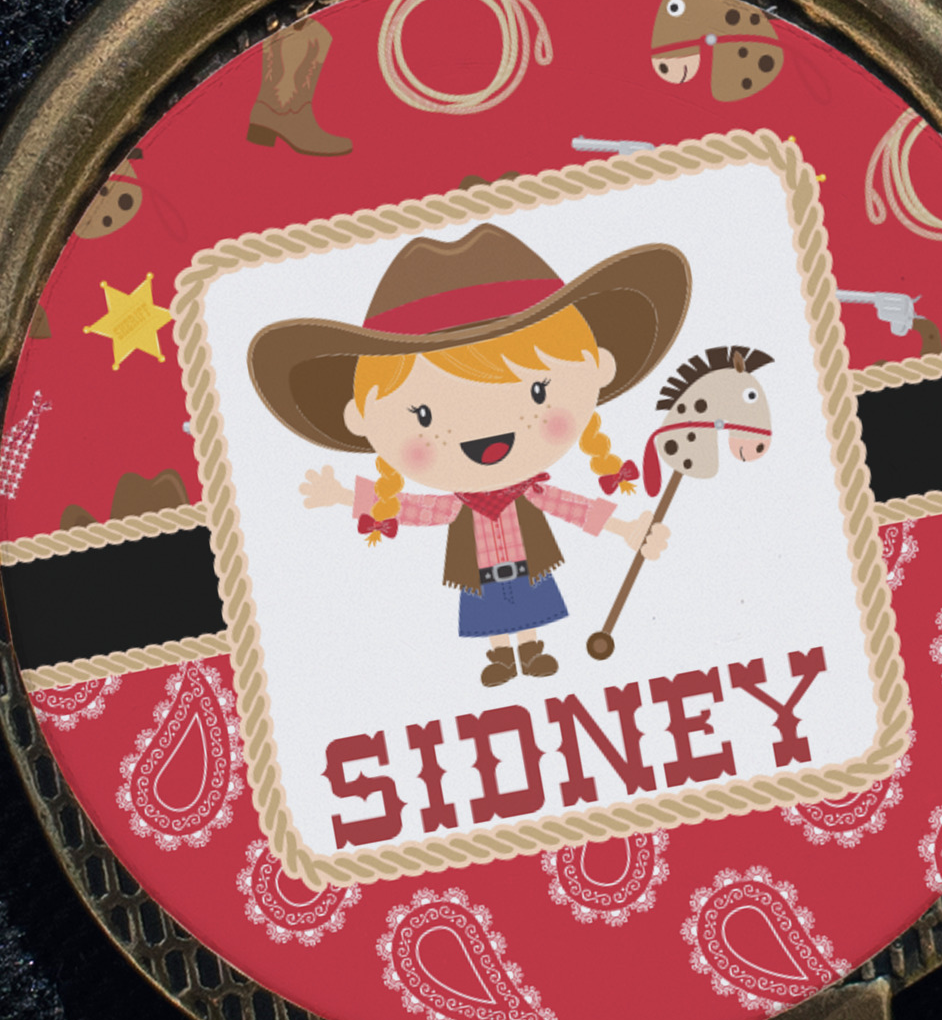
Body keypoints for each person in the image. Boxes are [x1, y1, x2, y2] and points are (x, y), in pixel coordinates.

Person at [248, 223, 692, 686]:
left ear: (598, 367)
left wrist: (627, 528)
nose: (484, 431)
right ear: (360, 417)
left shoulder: (532, 492)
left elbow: (573, 507)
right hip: (481, 576)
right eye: (423, 415)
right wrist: (344, 495)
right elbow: (411, 509)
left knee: (530, 606)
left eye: (538, 391)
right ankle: (501, 655)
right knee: (491, 613)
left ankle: (531, 648)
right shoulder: (459, 505)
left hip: (528, 568)